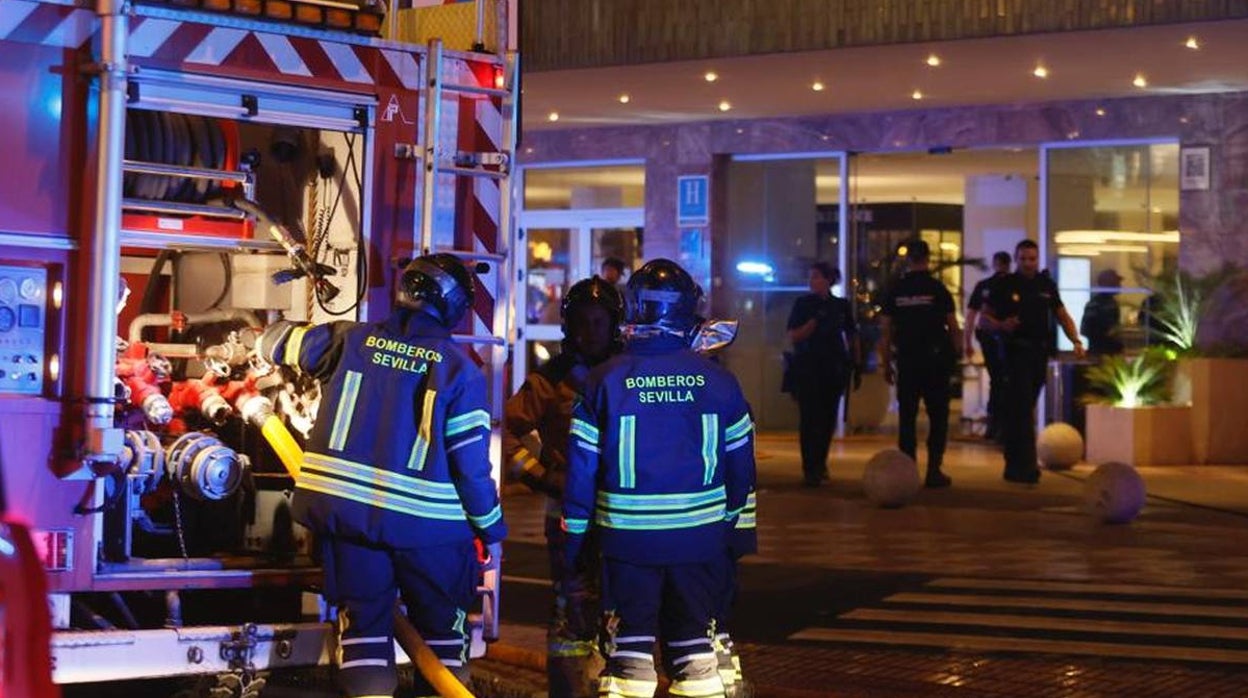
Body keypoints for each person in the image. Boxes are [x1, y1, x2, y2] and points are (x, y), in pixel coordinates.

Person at [259, 253, 507, 698]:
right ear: (453, 308)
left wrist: (252, 341)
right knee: (442, 641)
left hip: (349, 524)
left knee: (365, 637)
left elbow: (279, 342)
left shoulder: (349, 341)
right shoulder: (459, 372)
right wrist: (491, 528)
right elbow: (471, 468)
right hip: (429, 535)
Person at [563, 258, 756, 698]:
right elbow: (742, 473)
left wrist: (576, 545)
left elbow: (580, 477)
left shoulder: (603, 381)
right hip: (700, 545)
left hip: (627, 546)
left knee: (629, 654)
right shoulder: (721, 383)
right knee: (694, 649)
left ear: (633, 311)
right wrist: (727, 535)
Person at [503, 276, 624, 698]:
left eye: (599, 321)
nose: (590, 331)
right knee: (571, 611)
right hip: (567, 516)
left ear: (614, 325)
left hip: (622, 512)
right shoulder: (549, 381)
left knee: (622, 608)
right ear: (568, 327)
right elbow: (508, 434)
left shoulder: (629, 375)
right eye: (582, 323)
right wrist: (542, 477)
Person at [981, 240, 1086, 484]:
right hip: (1016, 353)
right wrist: (1001, 325)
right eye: (1024, 258)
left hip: (1039, 354)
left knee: (1024, 408)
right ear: (1016, 259)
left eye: (1032, 259)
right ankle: (1025, 467)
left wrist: (1076, 340)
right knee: (1021, 408)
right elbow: (984, 319)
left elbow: (1061, 314)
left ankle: (1015, 464)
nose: (1028, 263)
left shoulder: (1045, 285)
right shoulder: (1004, 285)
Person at [879, 240, 959, 488]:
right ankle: (934, 470)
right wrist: (954, 358)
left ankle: (909, 468)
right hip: (935, 362)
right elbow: (953, 327)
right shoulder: (937, 289)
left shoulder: (896, 290)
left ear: (908, 260)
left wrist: (886, 363)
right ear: (928, 258)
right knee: (938, 417)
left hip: (908, 361)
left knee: (907, 417)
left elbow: (886, 331)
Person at [786, 262, 858, 486]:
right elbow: (794, 335)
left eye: (817, 277)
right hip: (808, 367)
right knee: (809, 419)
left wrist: (856, 364)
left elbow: (851, 334)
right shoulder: (803, 304)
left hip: (832, 367)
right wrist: (813, 322)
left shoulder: (840, 306)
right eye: (811, 277)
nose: (812, 281)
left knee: (827, 418)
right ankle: (810, 467)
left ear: (828, 280)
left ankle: (821, 463)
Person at [965, 251, 1012, 440]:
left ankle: (995, 425)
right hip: (1006, 340)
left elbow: (971, 316)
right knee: (1005, 381)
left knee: (997, 381)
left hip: (990, 339)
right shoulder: (1014, 285)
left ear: (995, 264)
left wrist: (967, 342)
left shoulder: (984, 286)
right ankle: (1002, 425)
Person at [1081, 269, 1125, 356]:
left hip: (1106, 351)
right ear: (1110, 284)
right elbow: (1086, 329)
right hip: (1101, 352)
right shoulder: (1099, 304)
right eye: (1117, 283)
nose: (1120, 285)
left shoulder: (1110, 303)